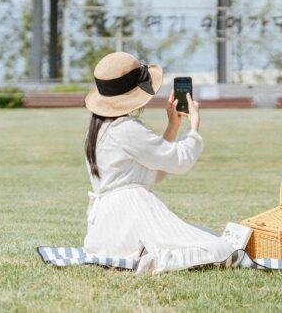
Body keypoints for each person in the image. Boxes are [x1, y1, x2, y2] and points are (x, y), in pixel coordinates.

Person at [81, 51, 235, 273]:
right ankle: (146, 254)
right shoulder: (127, 129)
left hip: (106, 226)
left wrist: (172, 127)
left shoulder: (96, 131)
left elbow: (155, 170)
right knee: (220, 248)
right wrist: (194, 127)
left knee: (209, 239)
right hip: (132, 216)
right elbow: (179, 161)